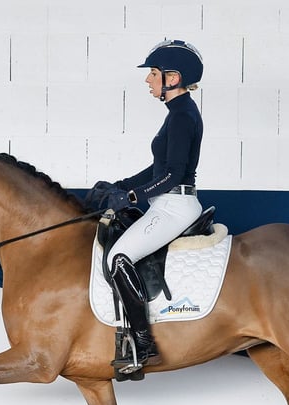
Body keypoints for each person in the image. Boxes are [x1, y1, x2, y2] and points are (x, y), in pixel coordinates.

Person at [93, 39, 205, 374]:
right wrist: (122, 185)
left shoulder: (183, 116)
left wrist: (131, 199)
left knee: (118, 258)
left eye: (154, 74)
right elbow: (158, 168)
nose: (148, 80)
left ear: (173, 78)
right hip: (165, 202)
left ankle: (143, 342)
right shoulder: (177, 114)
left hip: (174, 205)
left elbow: (171, 175)